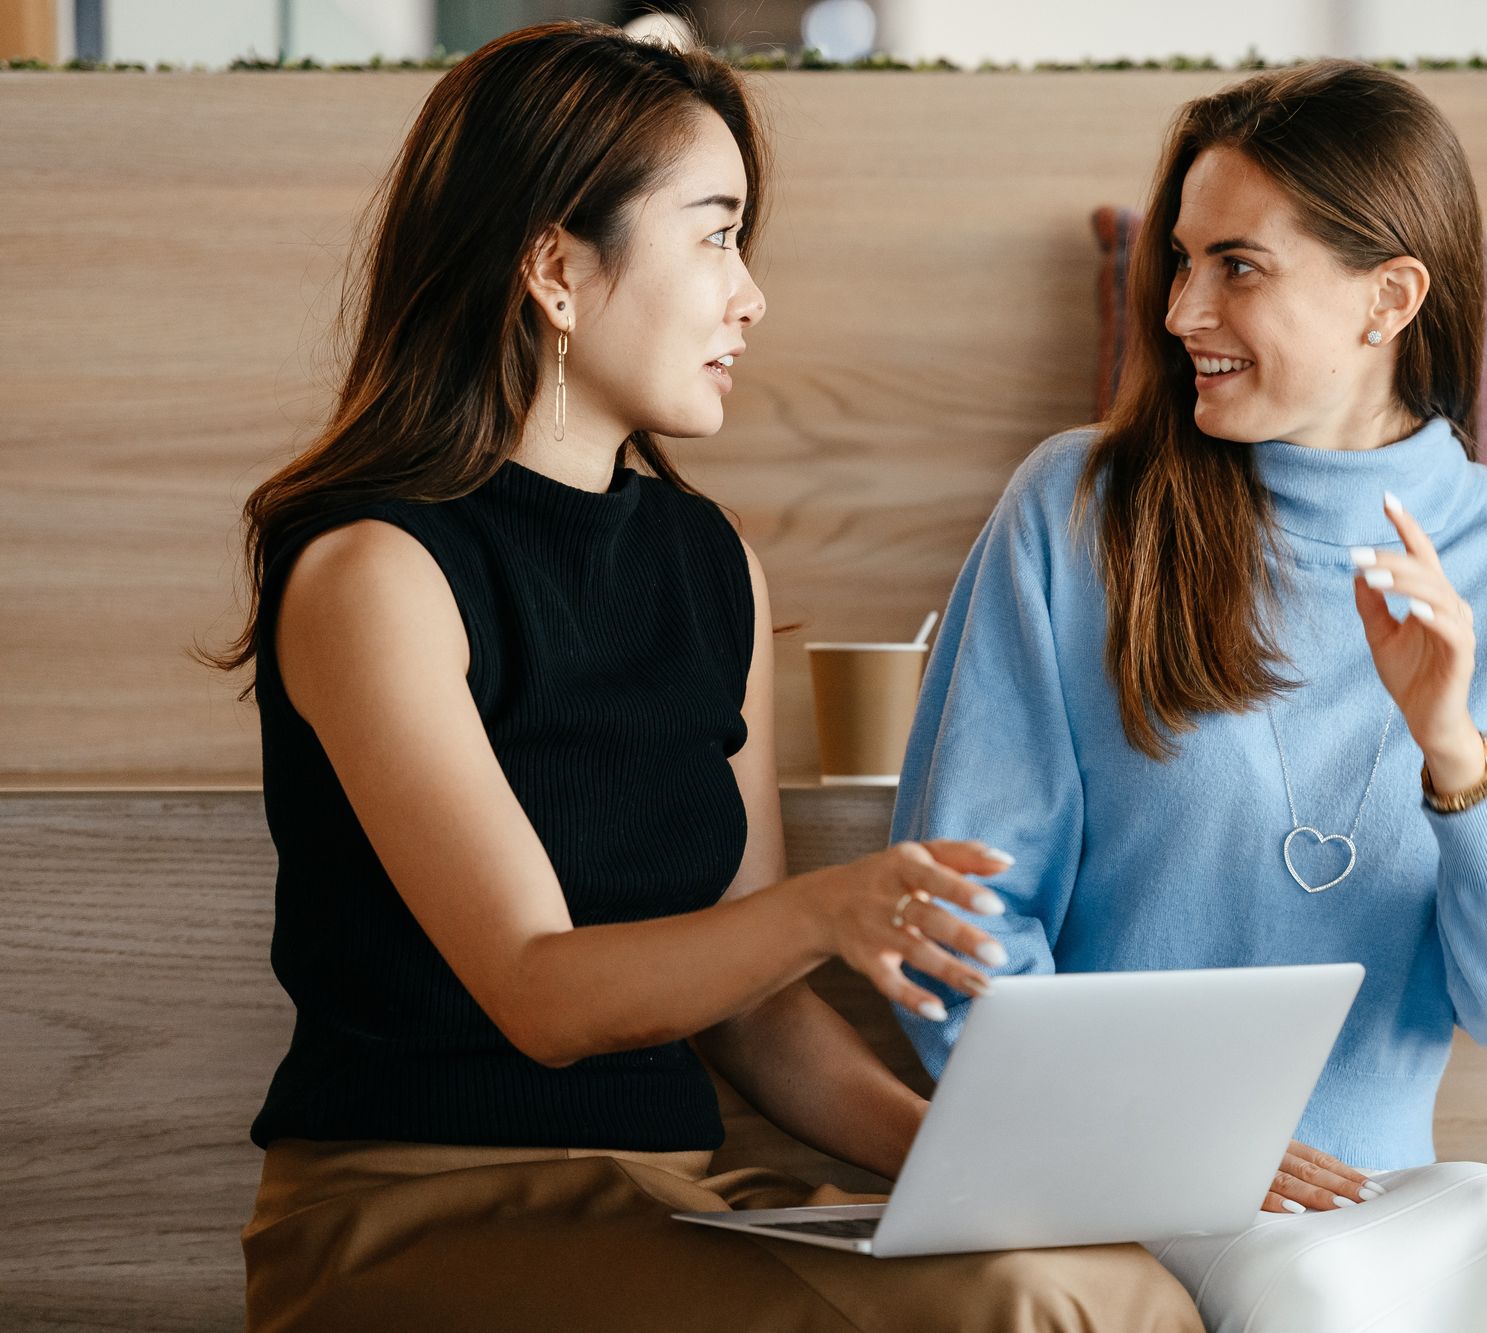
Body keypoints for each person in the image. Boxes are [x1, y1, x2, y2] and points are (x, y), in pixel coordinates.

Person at [198, 21, 1202, 1332]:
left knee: (1114, 1281)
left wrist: (1014, 1177)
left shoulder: (707, 561)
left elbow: (760, 1024)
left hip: (668, 1199)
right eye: (715, 233)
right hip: (413, 1212)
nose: (752, 295)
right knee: (1024, 1309)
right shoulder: (375, 573)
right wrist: (827, 910)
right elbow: (540, 991)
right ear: (557, 267)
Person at [892, 59, 1487, 1333]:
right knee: (1325, 1283)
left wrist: (1451, 751)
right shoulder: (1077, 509)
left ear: (1388, 297)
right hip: (1111, 1179)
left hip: (1369, 1185)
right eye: (1178, 260)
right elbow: (953, 923)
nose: (1182, 307)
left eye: (1236, 266)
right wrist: (1158, 1144)